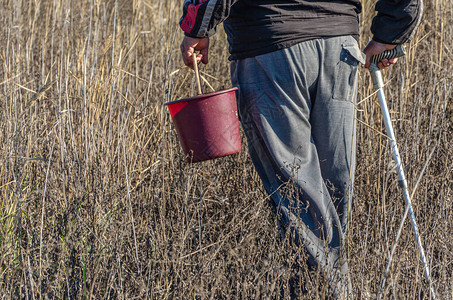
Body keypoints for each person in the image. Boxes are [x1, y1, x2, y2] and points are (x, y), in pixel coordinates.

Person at [179, 0, 423, 298]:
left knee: (302, 198)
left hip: (269, 45)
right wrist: (391, 31)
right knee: (331, 191)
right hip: (339, 49)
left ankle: (329, 293)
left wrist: (197, 27)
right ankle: (319, 289)